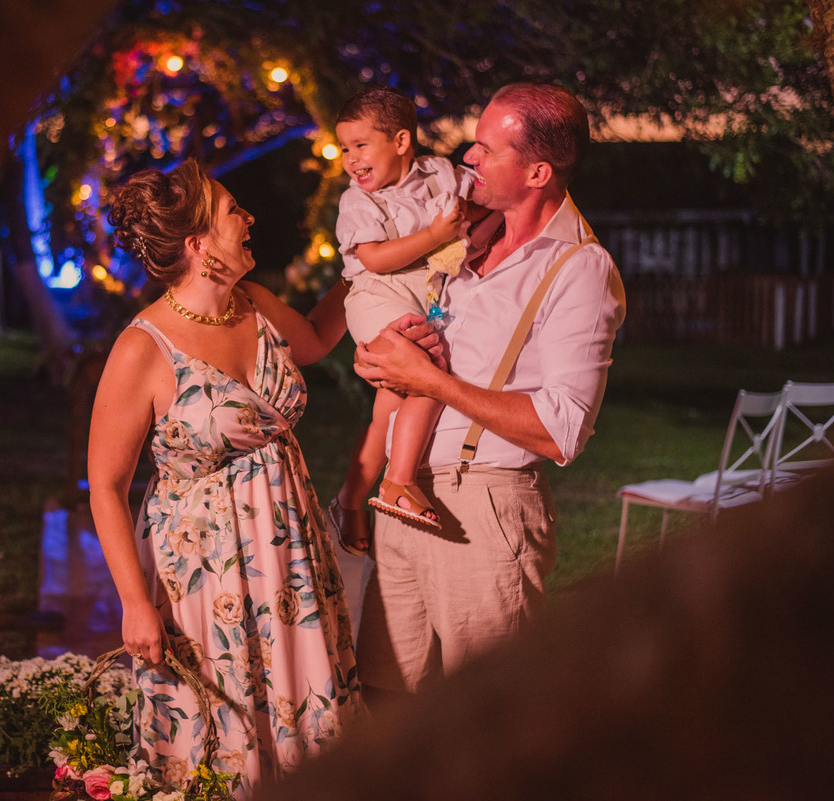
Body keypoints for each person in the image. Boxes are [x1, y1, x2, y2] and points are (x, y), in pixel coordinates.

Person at [90, 159, 430, 797]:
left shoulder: (255, 305)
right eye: (232, 211)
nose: (248, 219)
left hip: (292, 560)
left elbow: (317, 338)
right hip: (204, 578)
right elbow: (106, 485)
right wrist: (134, 602)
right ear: (199, 245)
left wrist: (366, 270)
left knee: (307, 714)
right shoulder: (143, 348)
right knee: (225, 733)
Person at [351, 83, 627, 699]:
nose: (467, 157)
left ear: (537, 172)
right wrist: (382, 357)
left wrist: (431, 381)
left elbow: (562, 429)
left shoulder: (578, 268)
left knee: (483, 713)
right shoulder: (461, 236)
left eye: (486, 148)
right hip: (404, 497)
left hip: (483, 509)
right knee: (383, 700)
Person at [327, 85, 497, 555]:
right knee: (426, 370)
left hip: (422, 300)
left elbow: (484, 201)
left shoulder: (439, 173)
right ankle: (399, 481)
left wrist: (476, 225)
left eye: (361, 145)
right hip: (376, 297)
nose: (351, 159)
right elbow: (375, 259)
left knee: (390, 405)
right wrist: (436, 235)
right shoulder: (358, 202)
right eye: (344, 148)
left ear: (401, 141)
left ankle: (349, 500)